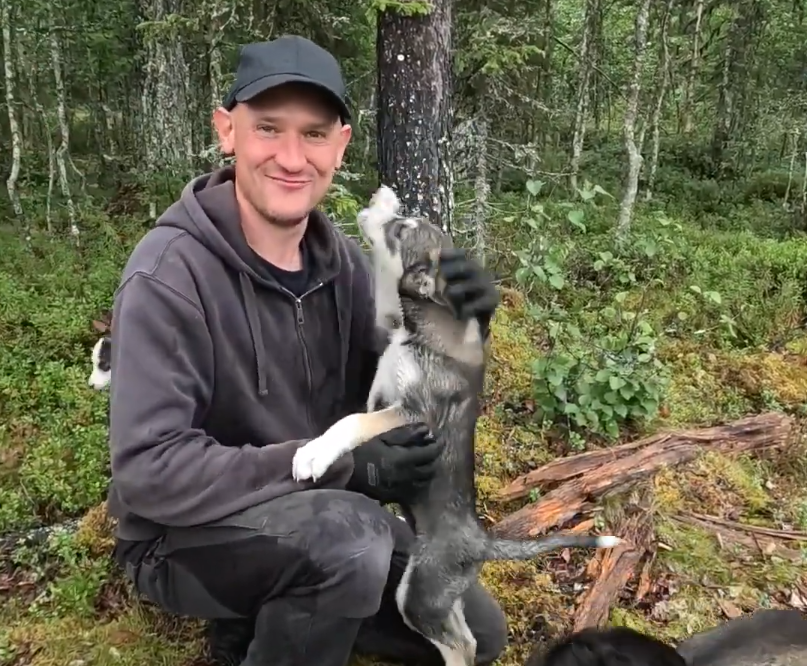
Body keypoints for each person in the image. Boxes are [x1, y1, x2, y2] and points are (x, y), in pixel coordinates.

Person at [107, 34, 507, 666]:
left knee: (477, 633)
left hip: (312, 517)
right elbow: (151, 472)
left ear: (340, 145)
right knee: (350, 544)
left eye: (315, 134)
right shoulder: (168, 277)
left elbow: (401, 389)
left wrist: (459, 329)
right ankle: (275, 614)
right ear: (227, 131)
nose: (292, 157)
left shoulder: (342, 265)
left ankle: (282, 610)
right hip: (180, 538)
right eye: (269, 128)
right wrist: (349, 467)